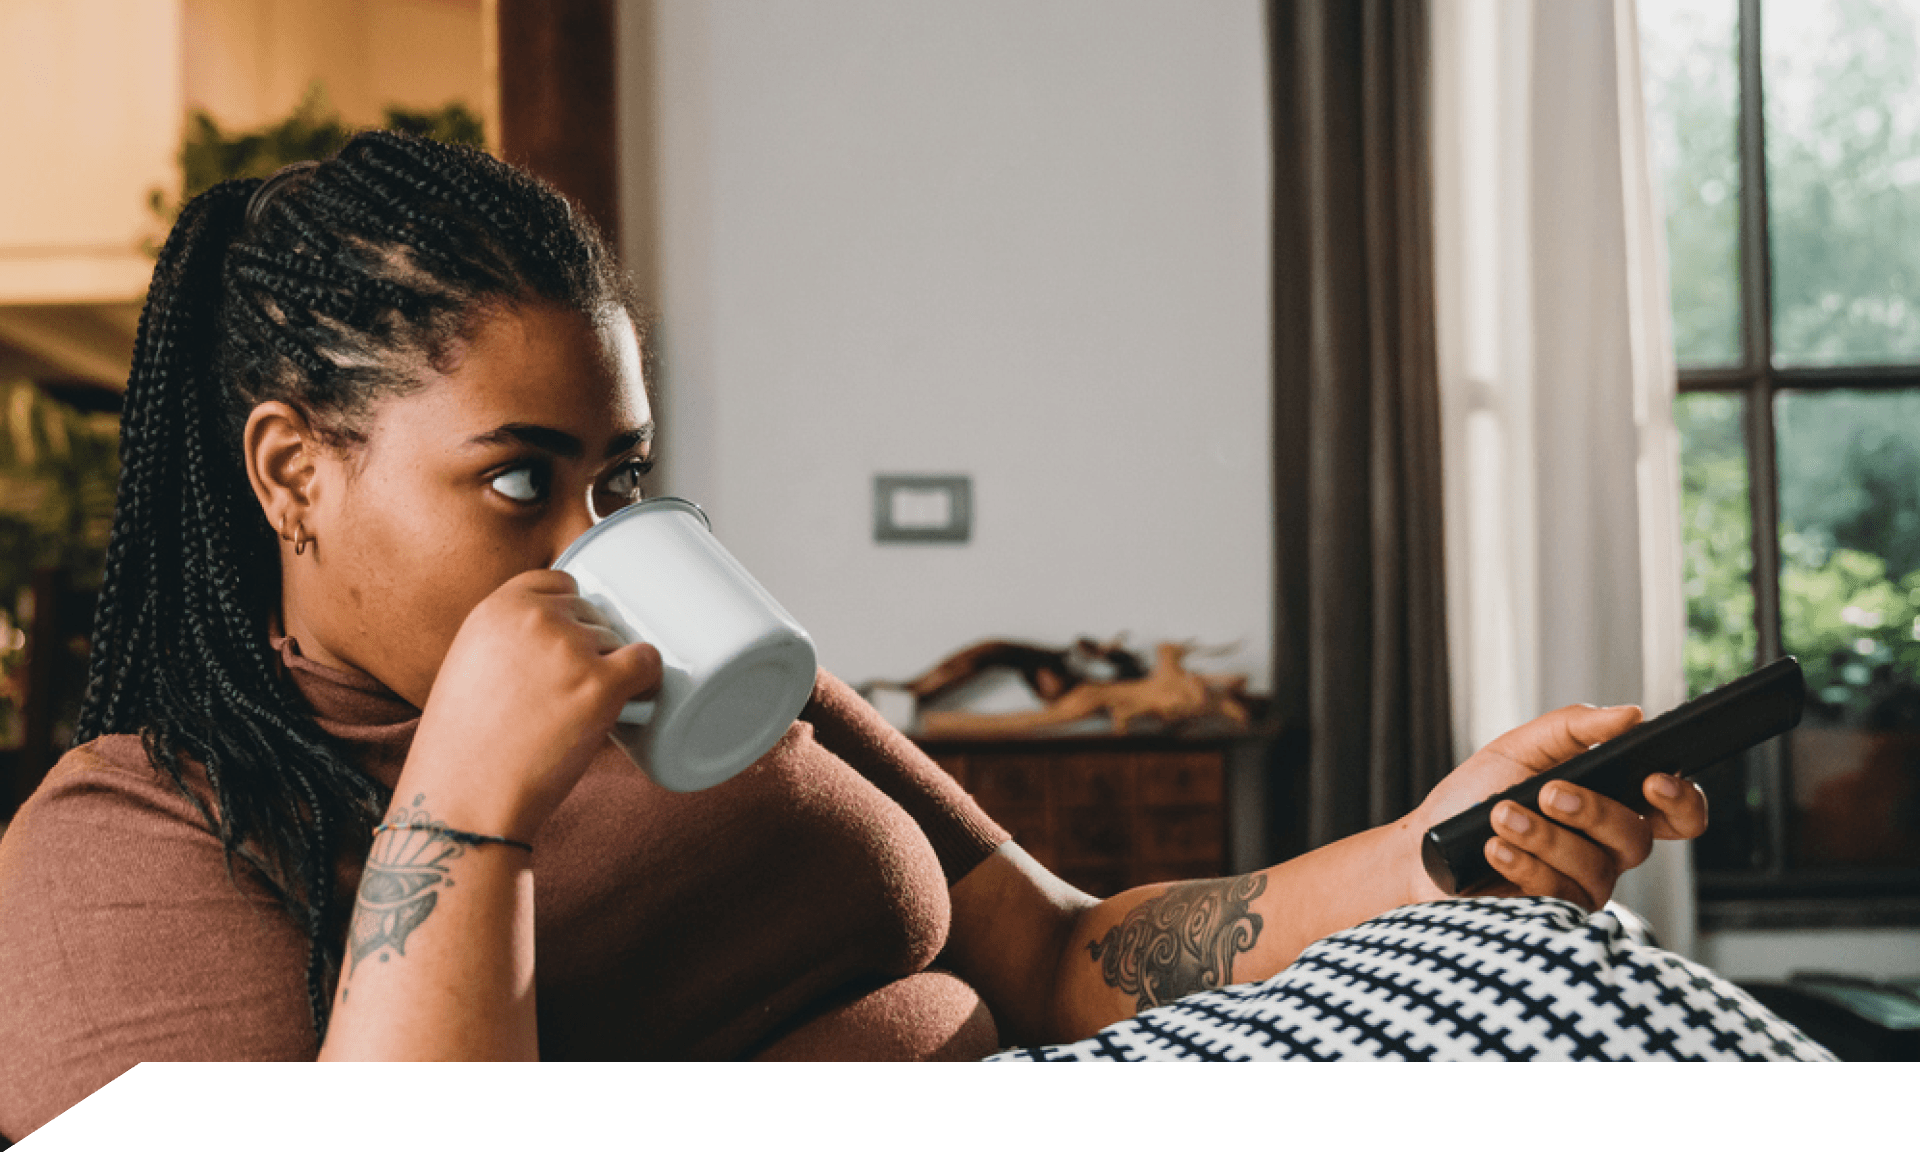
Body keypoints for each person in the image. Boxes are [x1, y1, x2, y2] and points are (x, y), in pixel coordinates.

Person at [0, 132, 1824, 1137]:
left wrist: (1439, 856)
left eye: (622, 477)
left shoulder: (720, 682)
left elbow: (1066, 953)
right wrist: (466, 804)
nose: (596, 542)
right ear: (290, 474)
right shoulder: (139, 837)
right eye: (517, 480)